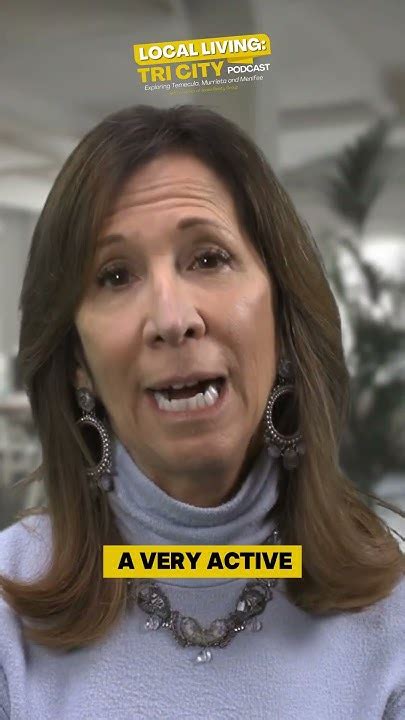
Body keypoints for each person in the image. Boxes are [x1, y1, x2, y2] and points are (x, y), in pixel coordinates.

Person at [0, 103, 404, 720]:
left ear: (283, 319)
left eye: (209, 258)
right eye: (115, 276)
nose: (172, 319)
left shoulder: (392, 610)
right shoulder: (9, 610)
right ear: (78, 359)